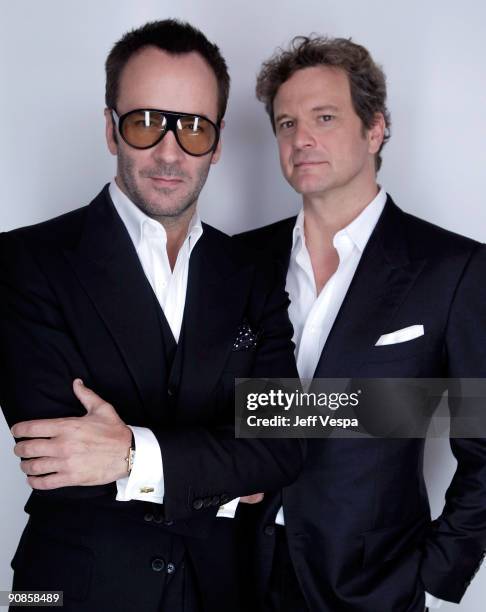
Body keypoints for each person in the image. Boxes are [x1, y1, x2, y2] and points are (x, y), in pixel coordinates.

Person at [0, 20, 305, 612]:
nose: (169, 151)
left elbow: (283, 448)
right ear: (112, 130)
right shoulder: (20, 262)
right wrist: (225, 473)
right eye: (146, 123)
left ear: (217, 143)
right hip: (62, 594)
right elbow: (56, 459)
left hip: (222, 592)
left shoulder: (251, 274)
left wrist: (130, 456)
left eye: (193, 128)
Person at [238, 35, 486, 611]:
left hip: (374, 585)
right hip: (237, 570)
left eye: (324, 117)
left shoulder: (452, 269)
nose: (301, 138)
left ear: (375, 130)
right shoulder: (238, 262)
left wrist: (434, 572)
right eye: (285, 124)